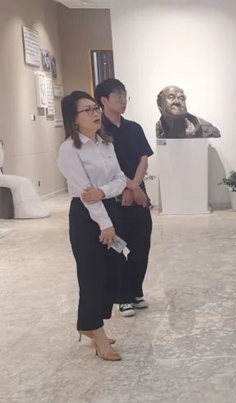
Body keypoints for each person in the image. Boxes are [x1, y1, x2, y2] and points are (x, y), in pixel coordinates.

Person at [57, 91, 127, 361]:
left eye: (95, 108)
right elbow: (85, 193)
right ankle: (96, 332)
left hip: (110, 208)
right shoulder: (69, 149)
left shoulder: (105, 143)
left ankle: (90, 323)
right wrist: (104, 224)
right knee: (92, 275)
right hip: (87, 218)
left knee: (112, 270)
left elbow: (120, 179)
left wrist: (103, 191)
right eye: (88, 110)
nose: (95, 113)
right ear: (74, 119)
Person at [96, 78, 154, 318]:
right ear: (104, 100)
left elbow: (143, 159)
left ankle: (135, 291)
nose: (123, 100)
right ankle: (123, 297)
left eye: (124, 95)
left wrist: (135, 187)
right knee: (117, 249)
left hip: (138, 198)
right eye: (117, 95)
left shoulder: (134, 128)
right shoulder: (98, 131)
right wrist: (129, 187)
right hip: (113, 201)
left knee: (141, 247)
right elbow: (106, 168)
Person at [156, 86, 221, 139]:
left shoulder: (206, 129)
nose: (177, 102)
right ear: (159, 104)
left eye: (181, 98)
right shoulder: (160, 129)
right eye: (171, 97)